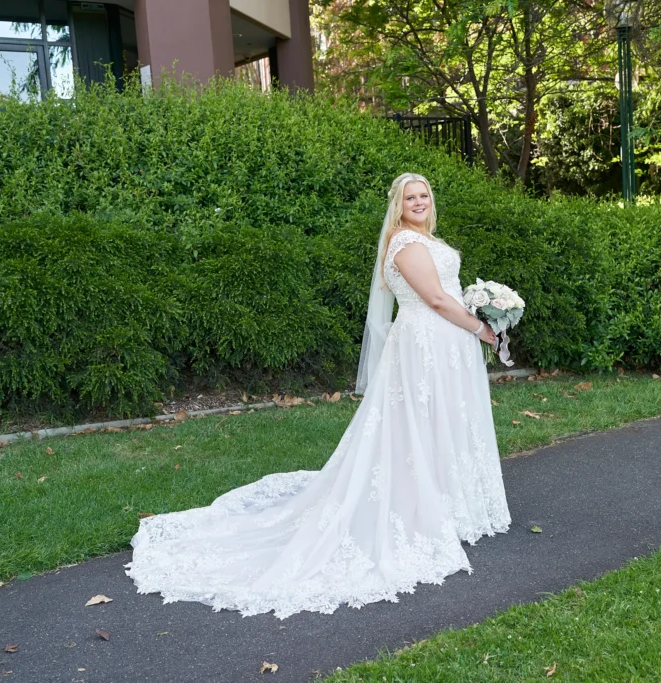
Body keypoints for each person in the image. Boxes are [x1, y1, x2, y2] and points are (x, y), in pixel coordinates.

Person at [125, 173, 511, 619]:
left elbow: (449, 297)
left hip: (442, 347)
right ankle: (420, 511)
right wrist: (485, 330)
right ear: (398, 205)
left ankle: (447, 503)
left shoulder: (425, 239)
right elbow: (438, 301)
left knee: (438, 423)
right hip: (424, 347)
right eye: (411, 197)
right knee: (416, 427)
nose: (419, 201)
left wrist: (487, 309)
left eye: (425, 194)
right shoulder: (405, 244)